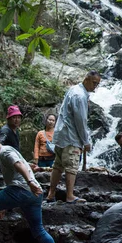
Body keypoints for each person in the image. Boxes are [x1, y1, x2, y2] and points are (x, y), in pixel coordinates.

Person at [46, 71, 101, 203]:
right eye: (94, 83)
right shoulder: (80, 96)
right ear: (86, 79)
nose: (95, 86)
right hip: (71, 137)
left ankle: (51, 194)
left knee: (58, 166)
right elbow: (80, 121)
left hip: (61, 135)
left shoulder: (73, 89)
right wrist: (85, 141)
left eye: (97, 84)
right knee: (71, 166)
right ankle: (70, 195)